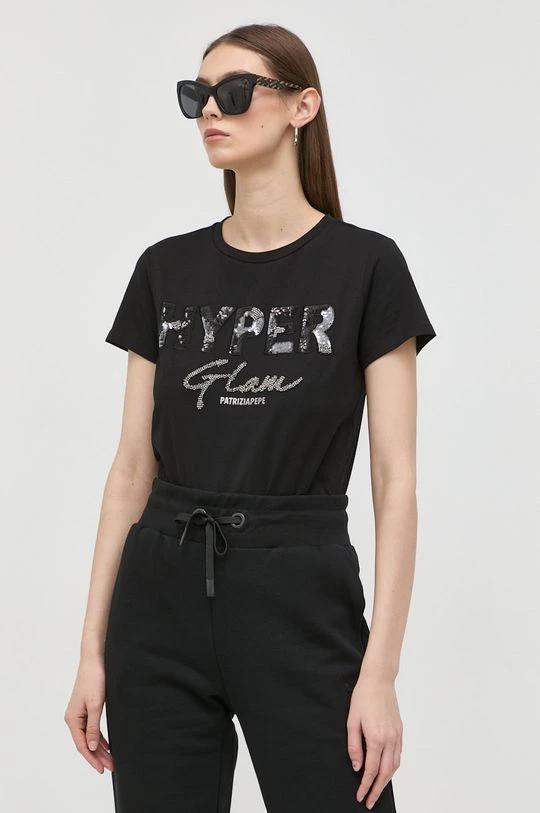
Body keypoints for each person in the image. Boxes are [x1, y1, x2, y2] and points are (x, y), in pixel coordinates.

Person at [64, 22, 436, 813]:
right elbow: (131, 468)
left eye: (233, 92)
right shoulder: (165, 269)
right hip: (159, 601)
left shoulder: (367, 267)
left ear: (304, 106)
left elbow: (395, 480)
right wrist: (91, 651)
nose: (210, 110)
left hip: (299, 598)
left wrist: (380, 671)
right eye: (196, 95)